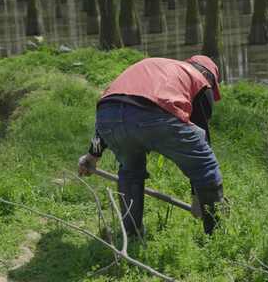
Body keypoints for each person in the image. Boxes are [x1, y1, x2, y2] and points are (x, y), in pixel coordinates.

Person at [78, 55, 224, 236]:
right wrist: (198, 198)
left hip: (107, 115)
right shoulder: (200, 80)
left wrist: (92, 156)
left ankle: (132, 234)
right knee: (207, 167)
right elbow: (201, 146)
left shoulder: (156, 66)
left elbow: (108, 117)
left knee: (130, 172)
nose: (210, 87)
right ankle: (217, 239)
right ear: (207, 75)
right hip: (152, 115)